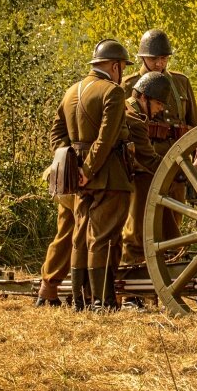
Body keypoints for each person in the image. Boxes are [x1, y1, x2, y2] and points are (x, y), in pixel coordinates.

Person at [49, 38, 134, 311]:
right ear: (115, 66)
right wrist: (87, 169)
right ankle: (103, 302)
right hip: (109, 174)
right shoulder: (112, 92)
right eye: (121, 67)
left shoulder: (71, 92)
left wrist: (74, 168)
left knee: (80, 235)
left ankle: (80, 300)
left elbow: (57, 135)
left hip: (79, 179)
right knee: (104, 237)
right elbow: (106, 139)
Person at [120, 29, 197, 264]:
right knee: (138, 225)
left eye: (163, 59)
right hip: (143, 165)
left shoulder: (181, 82)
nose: (159, 63)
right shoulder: (129, 85)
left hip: (175, 164)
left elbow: (193, 124)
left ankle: (169, 277)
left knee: (172, 224)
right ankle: (133, 281)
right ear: (143, 58)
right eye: (154, 58)